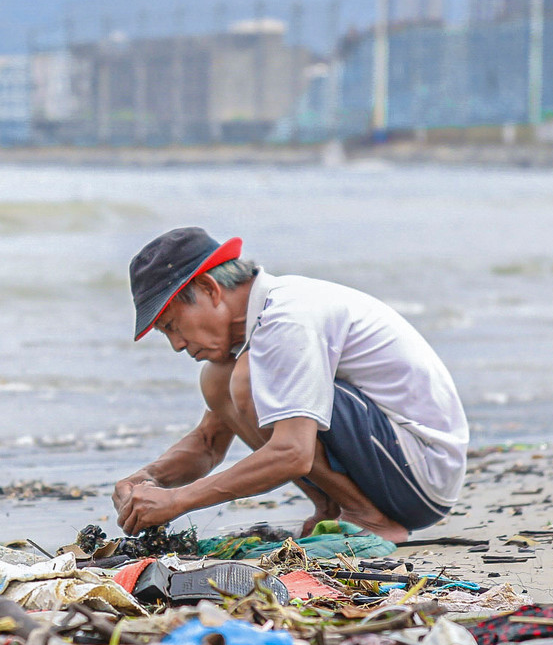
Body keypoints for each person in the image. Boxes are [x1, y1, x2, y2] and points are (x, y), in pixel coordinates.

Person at [113, 227, 468, 543]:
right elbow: (208, 442)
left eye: (172, 325)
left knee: (247, 378)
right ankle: (333, 506)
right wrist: (150, 479)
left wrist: (179, 502)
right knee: (219, 378)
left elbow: (292, 453)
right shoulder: (264, 324)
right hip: (398, 465)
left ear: (209, 289)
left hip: (424, 472)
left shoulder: (286, 318)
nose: (176, 344)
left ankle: (368, 516)